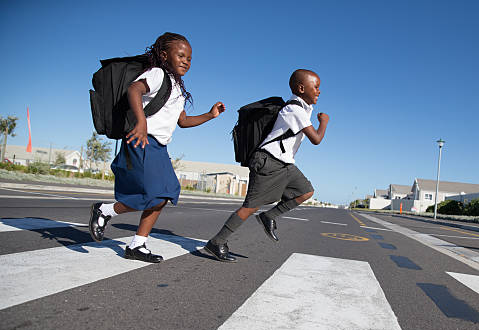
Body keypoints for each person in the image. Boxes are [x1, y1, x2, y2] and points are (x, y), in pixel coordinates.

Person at [89, 32, 225, 263]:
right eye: (180, 55)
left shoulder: (178, 89)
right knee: (149, 194)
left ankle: (138, 244)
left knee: (166, 194)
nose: (185, 61)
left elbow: (182, 121)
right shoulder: (157, 74)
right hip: (141, 139)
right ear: (164, 55)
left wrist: (210, 116)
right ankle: (105, 211)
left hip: (159, 147)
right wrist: (141, 123)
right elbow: (134, 89)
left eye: (189, 58)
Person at [205, 69, 329, 262]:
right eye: (316, 87)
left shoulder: (302, 108)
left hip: (285, 164)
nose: (319, 91)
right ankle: (217, 242)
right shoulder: (294, 110)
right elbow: (316, 139)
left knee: (305, 191)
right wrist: (324, 122)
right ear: (301, 88)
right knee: (250, 207)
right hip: (268, 162)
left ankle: (269, 216)